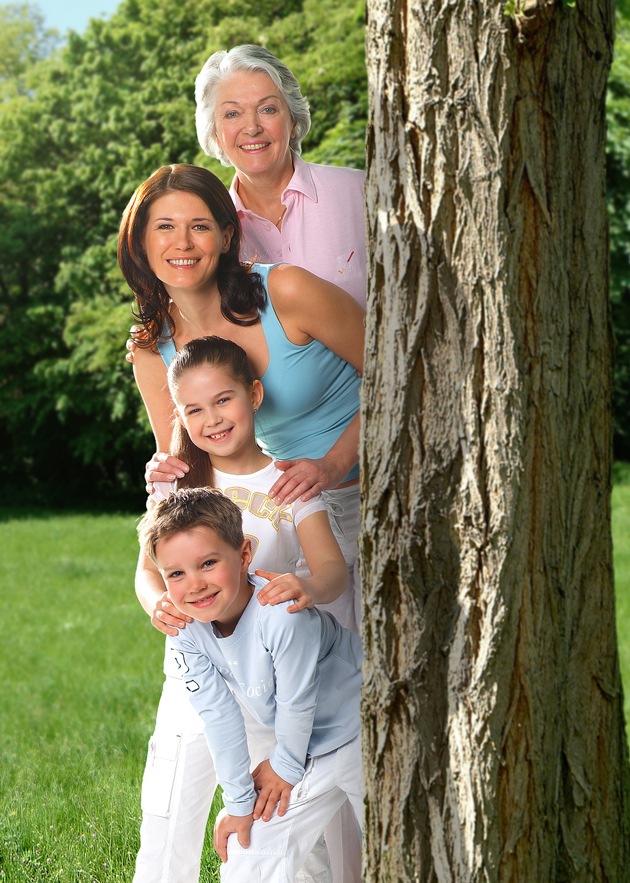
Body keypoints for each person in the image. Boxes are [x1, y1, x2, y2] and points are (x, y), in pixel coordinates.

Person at [118, 163, 365, 880]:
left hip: (321, 502)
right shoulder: (148, 344)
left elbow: (400, 364)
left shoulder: (281, 287)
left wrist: (329, 465)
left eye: (199, 223)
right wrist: (163, 491)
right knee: (210, 739)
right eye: (163, 226)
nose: (182, 240)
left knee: (330, 725)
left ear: (228, 235)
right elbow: (180, 459)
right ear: (140, 244)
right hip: (232, 555)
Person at [134, 335, 351, 882]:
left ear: (254, 394)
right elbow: (146, 570)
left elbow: (331, 571)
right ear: (180, 415)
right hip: (194, 679)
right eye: (194, 409)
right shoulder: (176, 484)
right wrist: (156, 601)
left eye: (223, 400)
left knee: (271, 827)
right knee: (168, 820)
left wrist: (304, 587)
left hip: (268, 694)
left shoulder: (290, 482)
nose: (212, 419)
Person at [137, 487, 363, 882]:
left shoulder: (281, 613)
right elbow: (219, 716)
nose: (194, 585)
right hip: (310, 750)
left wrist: (283, 768)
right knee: (247, 852)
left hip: (366, 734)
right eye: (176, 573)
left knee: (400, 847)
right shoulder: (186, 631)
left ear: (244, 555)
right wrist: (240, 802)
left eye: (208, 563)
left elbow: (297, 700)